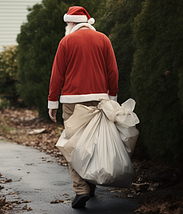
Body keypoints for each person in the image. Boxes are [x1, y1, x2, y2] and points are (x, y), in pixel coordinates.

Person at [47, 6, 119, 208]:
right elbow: (112, 71)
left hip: (72, 102)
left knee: (73, 144)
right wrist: (112, 98)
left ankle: (81, 188)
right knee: (94, 143)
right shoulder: (103, 39)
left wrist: (53, 102)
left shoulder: (66, 41)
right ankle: (91, 182)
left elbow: (57, 75)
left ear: (70, 23)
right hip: (99, 100)